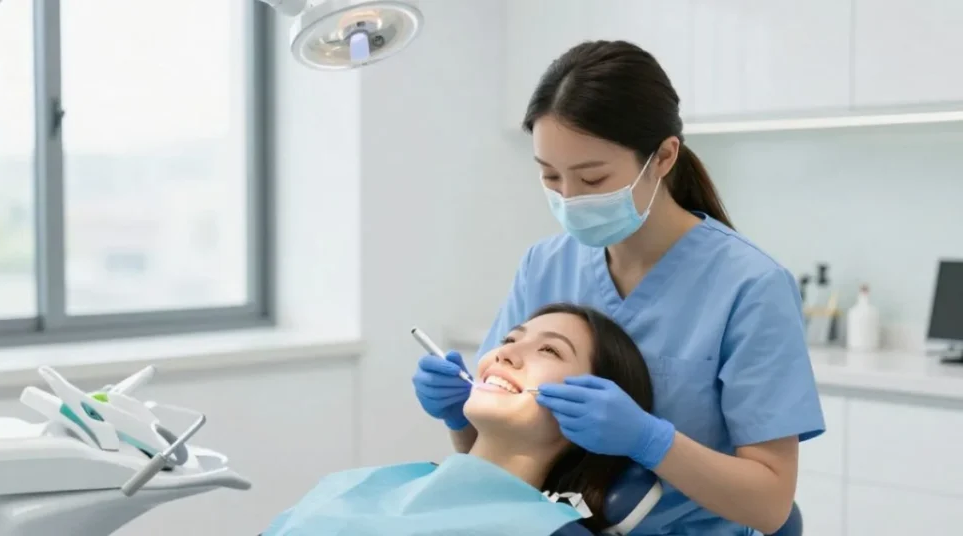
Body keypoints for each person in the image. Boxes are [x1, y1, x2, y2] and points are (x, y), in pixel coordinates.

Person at [412, 40, 825, 536]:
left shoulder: (750, 286)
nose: (569, 198)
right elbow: (499, 454)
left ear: (664, 156)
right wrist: (461, 415)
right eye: (550, 176)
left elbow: (770, 506)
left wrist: (652, 442)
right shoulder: (546, 265)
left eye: (592, 178)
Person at [262, 303, 654, 535]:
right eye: (509, 340)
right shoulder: (376, 483)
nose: (505, 355)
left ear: (595, 410)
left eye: (550, 351)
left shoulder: (550, 530)